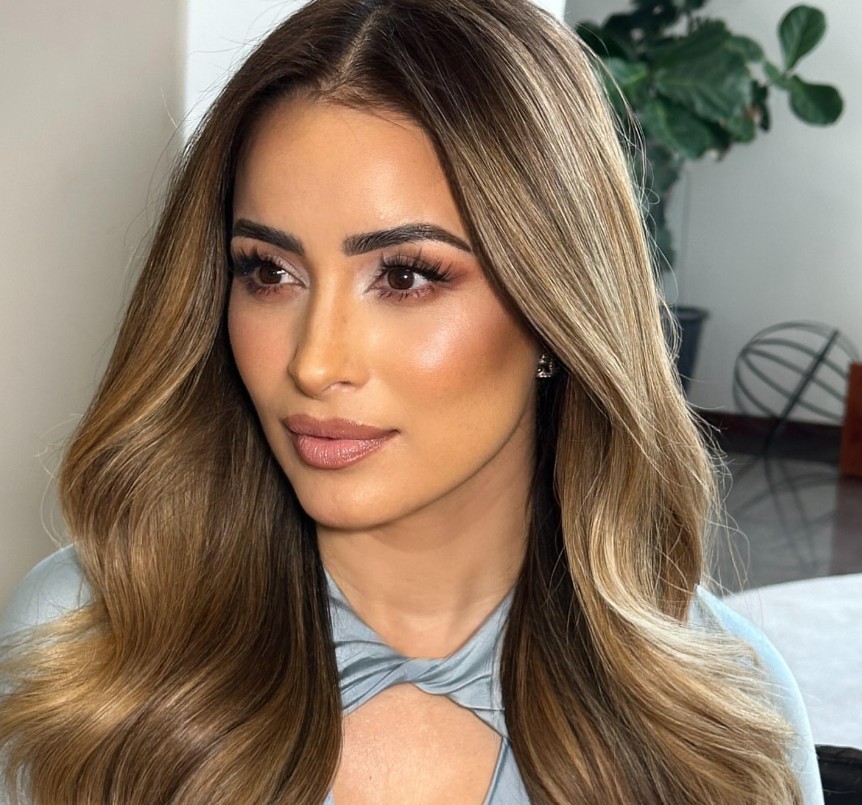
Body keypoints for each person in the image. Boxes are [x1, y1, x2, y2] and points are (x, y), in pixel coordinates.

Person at [0, 0, 822, 802]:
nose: (315, 362)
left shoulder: (718, 710)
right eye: (268, 271)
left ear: (554, 309)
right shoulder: (88, 648)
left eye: (405, 276)